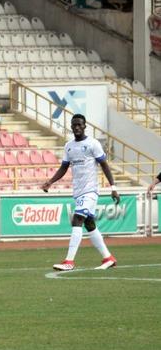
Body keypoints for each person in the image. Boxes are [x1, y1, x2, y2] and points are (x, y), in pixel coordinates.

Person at [41, 114, 119, 271]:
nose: (76, 127)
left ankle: (69, 261)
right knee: (89, 224)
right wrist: (51, 181)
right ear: (71, 127)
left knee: (77, 219)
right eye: (74, 124)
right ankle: (108, 258)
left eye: (79, 124)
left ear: (84, 126)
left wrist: (113, 187)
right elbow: (64, 167)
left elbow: (104, 165)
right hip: (78, 191)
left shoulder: (93, 144)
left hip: (90, 191)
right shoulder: (69, 146)